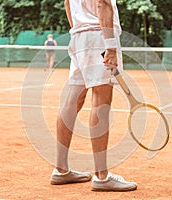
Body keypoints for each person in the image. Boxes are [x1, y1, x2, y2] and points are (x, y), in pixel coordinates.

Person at [50, 0, 137, 192]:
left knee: (72, 102)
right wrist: (111, 47)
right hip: (99, 36)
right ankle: (102, 176)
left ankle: (61, 169)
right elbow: (103, 3)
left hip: (79, 37)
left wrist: (80, 32)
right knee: (101, 102)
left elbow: (67, 3)